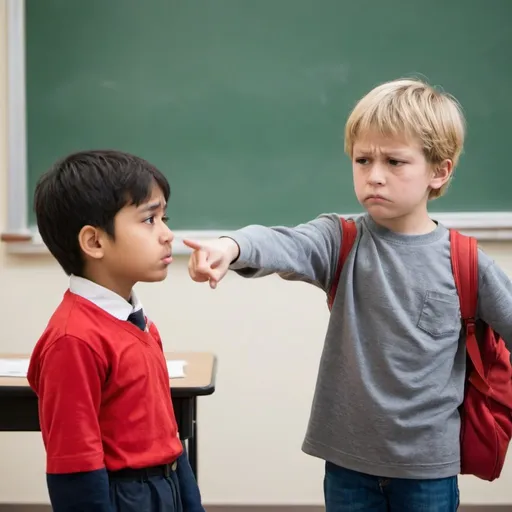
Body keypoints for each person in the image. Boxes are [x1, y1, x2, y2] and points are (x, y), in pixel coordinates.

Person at [185, 79, 512, 511]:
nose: (374, 175)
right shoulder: (342, 239)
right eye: (363, 160)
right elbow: (281, 242)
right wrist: (230, 246)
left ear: (440, 171)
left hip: (427, 470)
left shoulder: (468, 263)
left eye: (395, 161)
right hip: (347, 463)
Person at [27, 150, 205, 512]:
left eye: (164, 217)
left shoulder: (139, 323)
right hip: (124, 497)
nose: (168, 234)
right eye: (149, 220)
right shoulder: (73, 340)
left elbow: (168, 438)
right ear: (94, 242)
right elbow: (75, 466)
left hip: (164, 487)